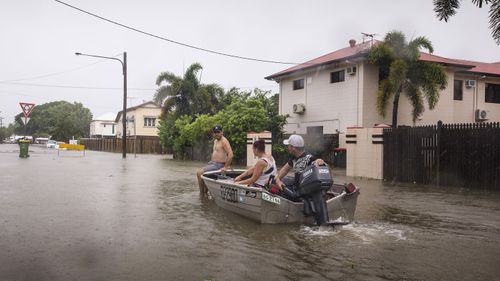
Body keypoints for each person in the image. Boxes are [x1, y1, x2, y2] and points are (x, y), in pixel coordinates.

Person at [197, 125, 233, 194]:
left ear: (222, 132)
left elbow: (230, 154)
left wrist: (225, 167)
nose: (216, 134)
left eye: (218, 132)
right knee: (204, 177)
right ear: (213, 133)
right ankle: (205, 193)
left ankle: (201, 195)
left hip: (219, 165)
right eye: (215, 132)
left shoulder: (224, 141)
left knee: (199, 172)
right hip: (213, 163)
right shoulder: (216, 141)